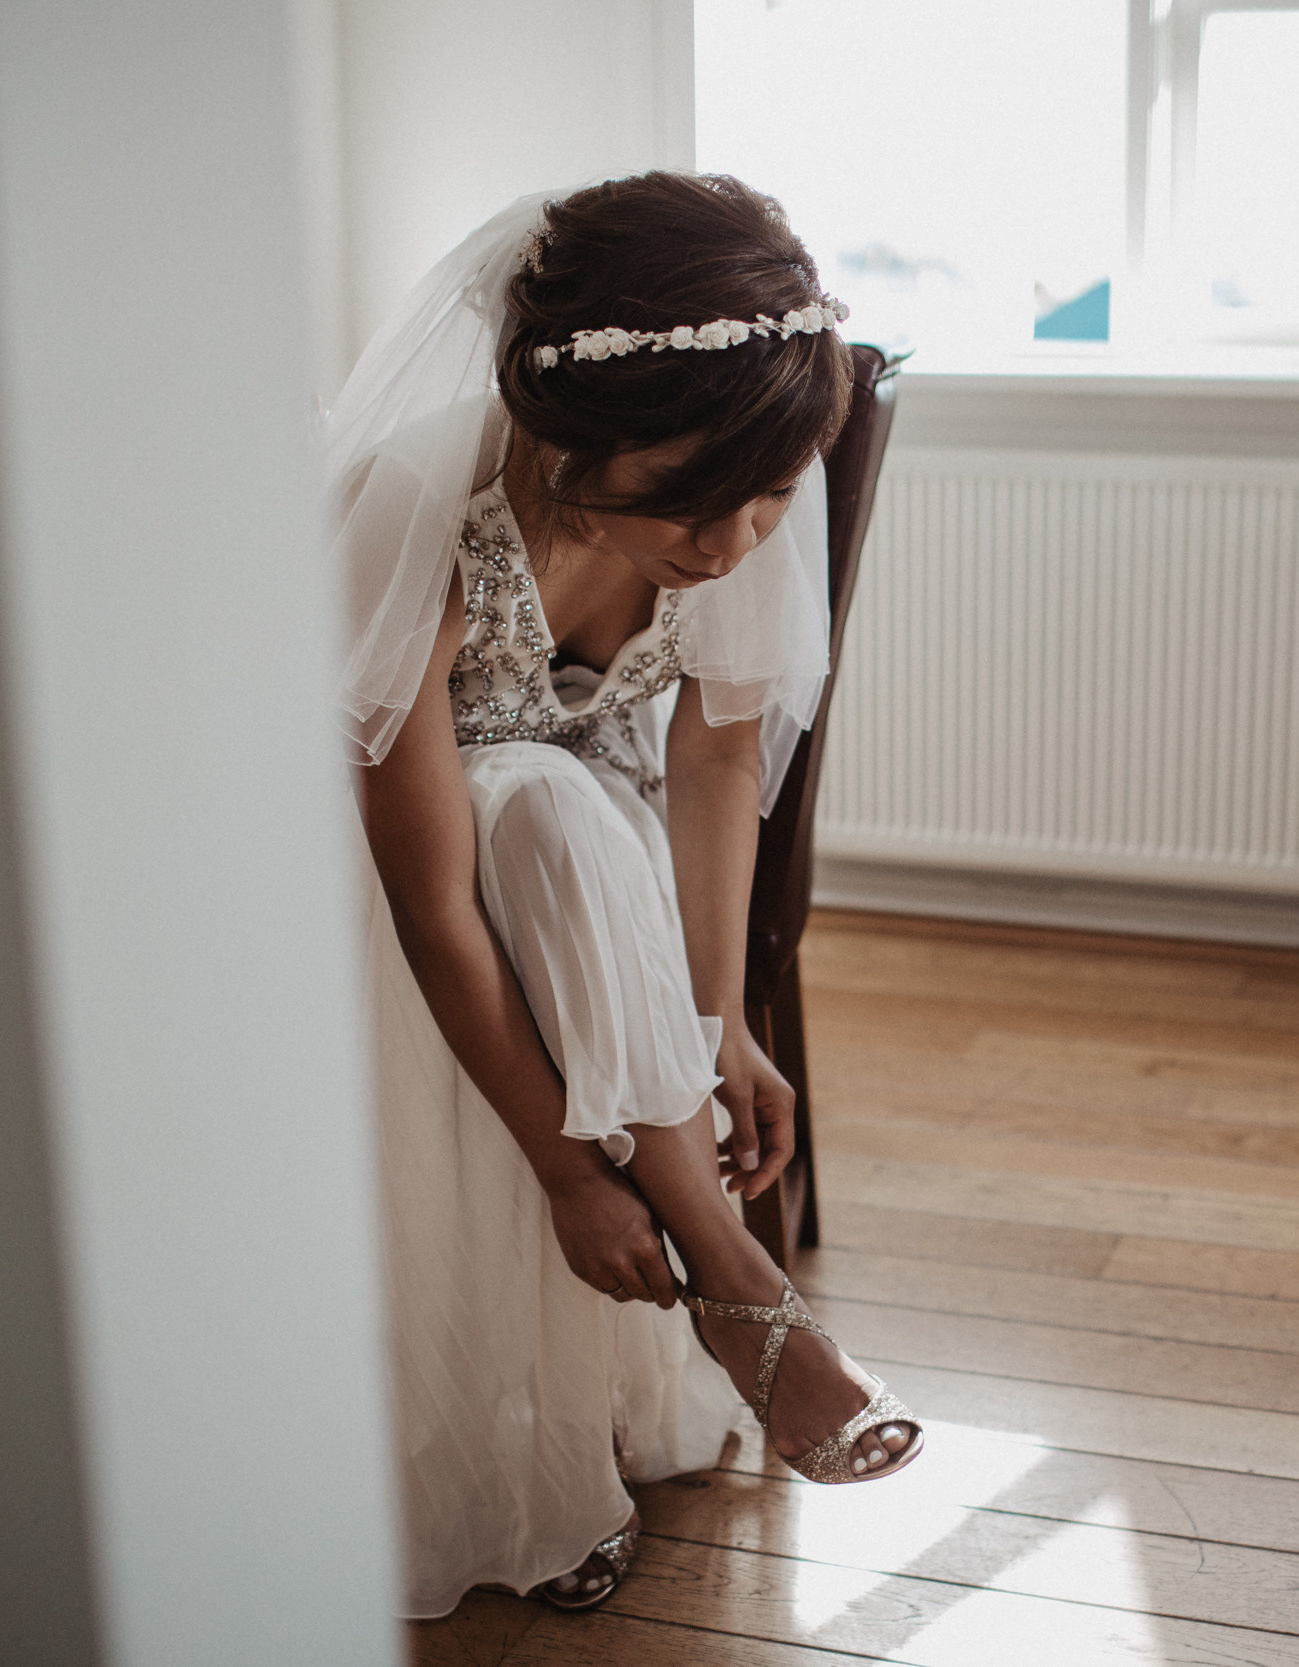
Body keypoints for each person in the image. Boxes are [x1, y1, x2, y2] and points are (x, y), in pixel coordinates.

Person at [327, 173, 922, 1619]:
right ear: (561, 434)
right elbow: (428, 900)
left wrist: (721, 1022)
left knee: (570, 814)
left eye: (769, 502)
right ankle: (729, 1289)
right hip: (373, 884)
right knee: (538, 802)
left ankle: (642, 1365)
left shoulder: (741, 461)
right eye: (681, 508)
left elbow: (716, 760)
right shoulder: (421, 509)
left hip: (598, 864)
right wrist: (564, 1171)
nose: (726, 551)